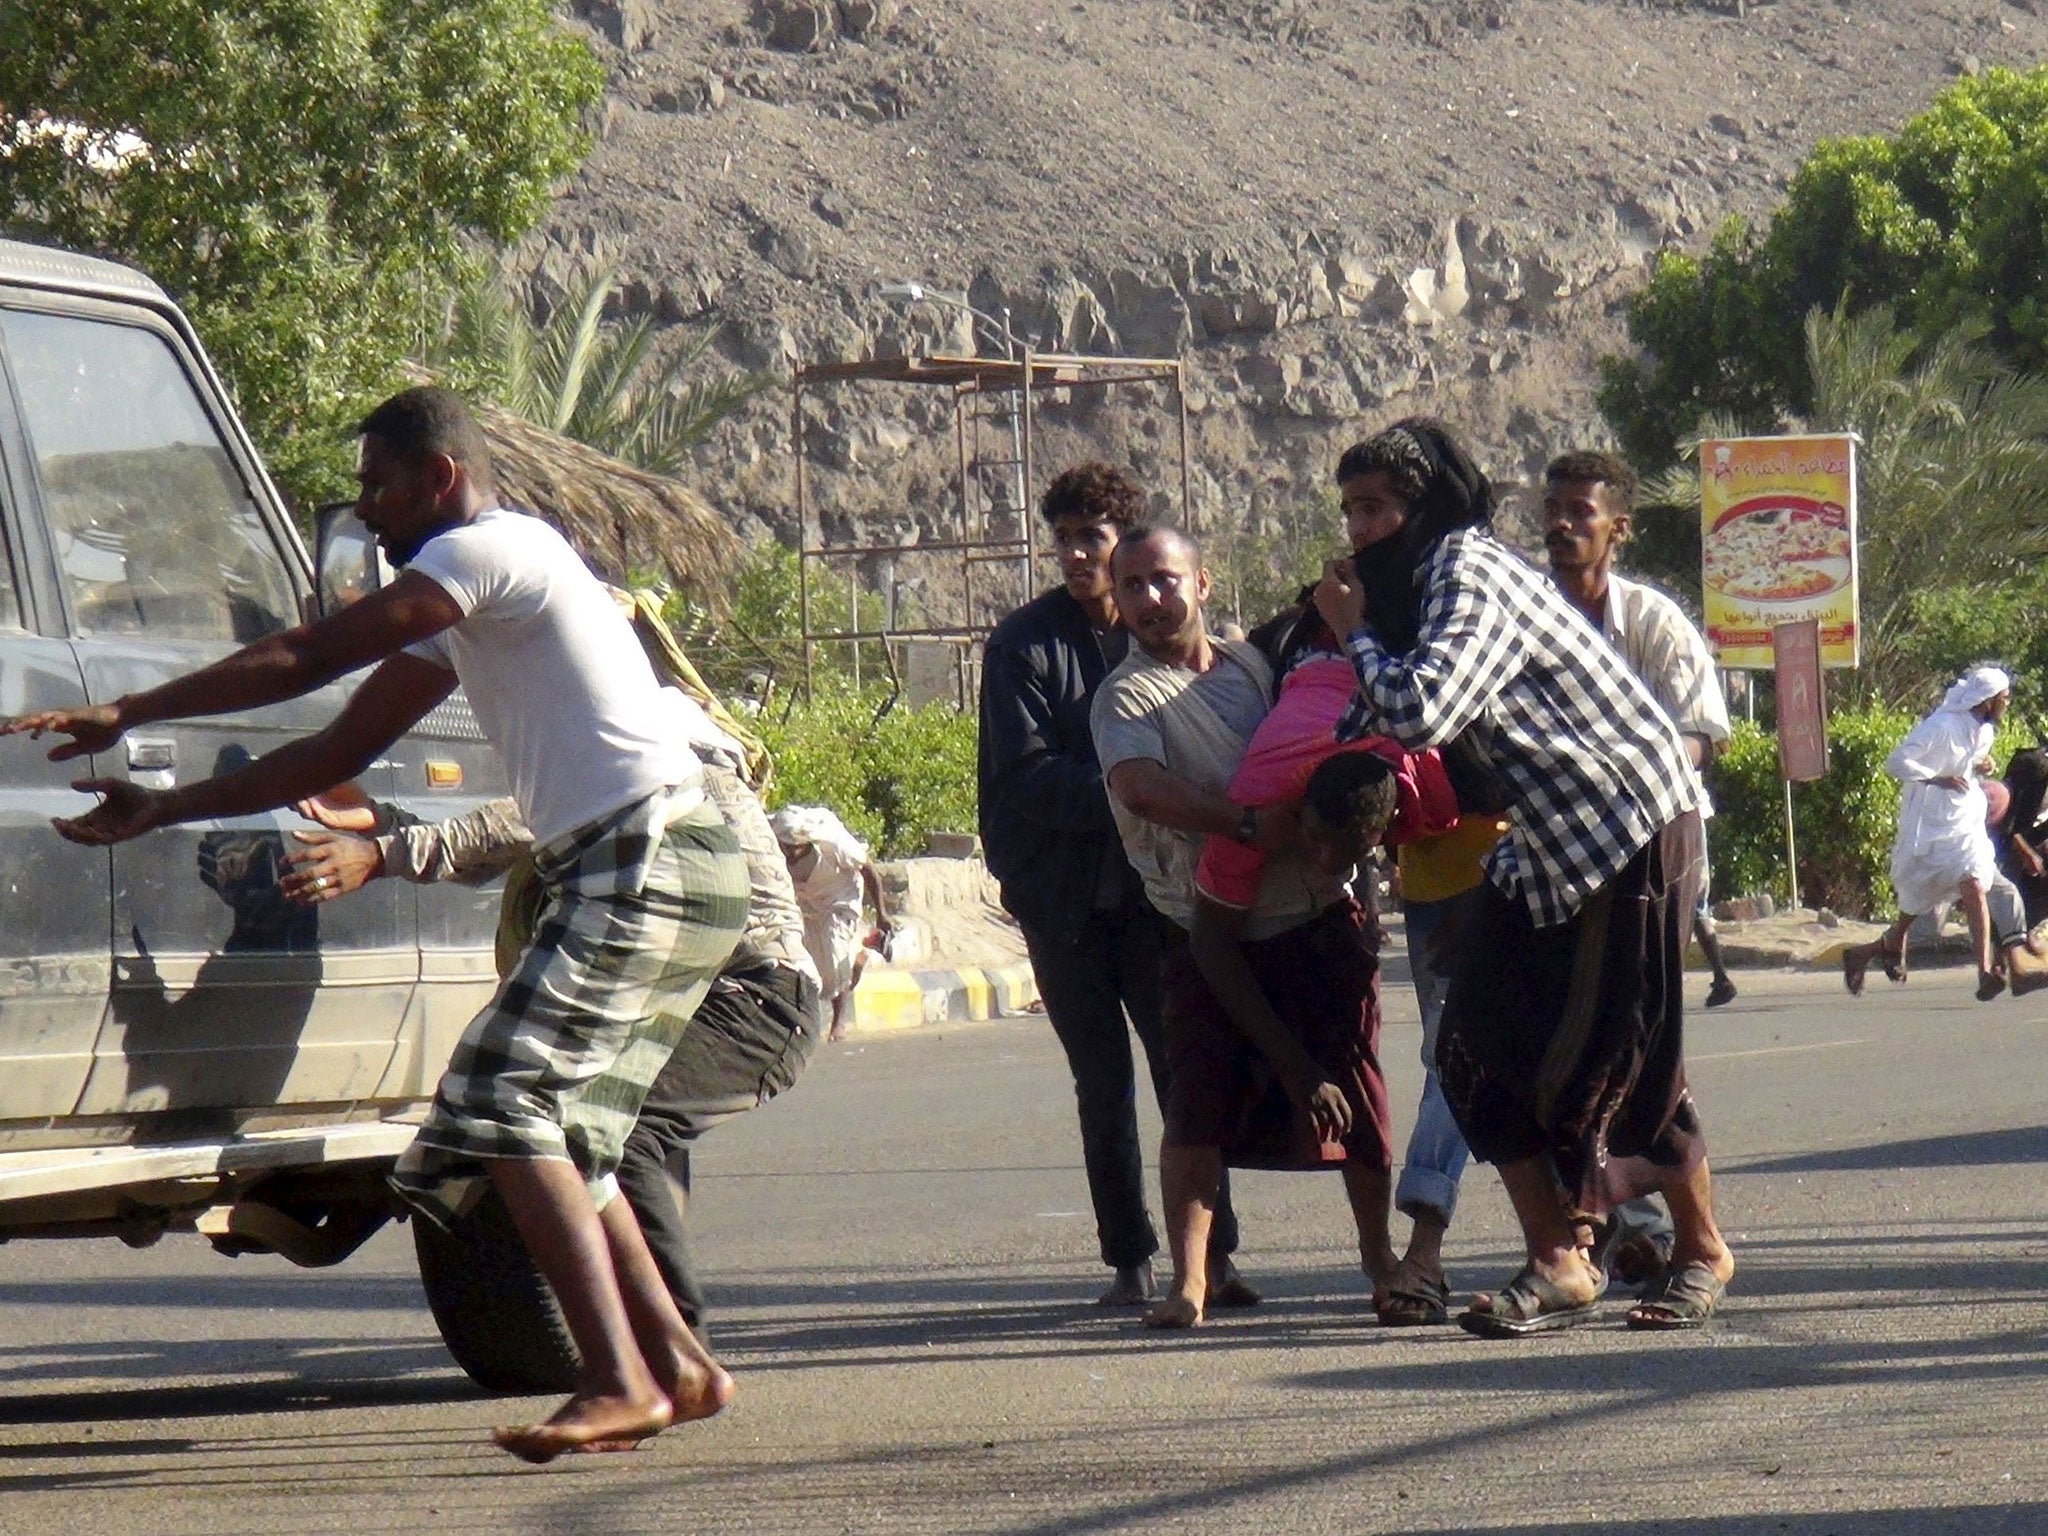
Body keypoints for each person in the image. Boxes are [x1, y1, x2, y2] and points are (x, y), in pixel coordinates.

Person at [2, 386, 748, 1458]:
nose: (365, 514)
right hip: (632, 863)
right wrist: (161, 807)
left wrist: (129, 709)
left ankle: (616, 1380)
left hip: (649, 856)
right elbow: (327, 756)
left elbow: (312, 656)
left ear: (439, 479)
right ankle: (675, 1364)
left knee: (505, 1099)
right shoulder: (479, 604)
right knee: (563, 1129)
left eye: (377, 488)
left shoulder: (494, 552)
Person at [1317, 416, 1734, 1337]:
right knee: (1472, 1047)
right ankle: (1560, 1259)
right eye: (1350, 511)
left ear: (1424, 510)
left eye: (1378, 508)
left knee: (1626, 1058)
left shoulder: (1468, 572)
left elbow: (1419, 707)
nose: (1360, 530)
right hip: (1546, 845)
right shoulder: (1417, 591)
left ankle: (1701, 1249)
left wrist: (1350, 636)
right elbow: (1366, 719)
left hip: (1628, 826)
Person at [286, 696, 821, 1332]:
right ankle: (659, 1354)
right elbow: (521, 837)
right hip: (706, 998)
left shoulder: (669, 760)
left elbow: (521, 824)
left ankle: (674, 1346)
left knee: (617, 1135)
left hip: (756, 1003)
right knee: (559, 1123)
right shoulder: (624, 768)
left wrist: (384, 854)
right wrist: (384, 824)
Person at [1093, 525, 1394, 1329]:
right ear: (1117, 602)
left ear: (1202, 582)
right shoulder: (1125, 696)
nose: (1151, 599)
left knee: (1359, 1093)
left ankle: (1381, 1261)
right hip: (1206, 924)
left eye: (1164, 579)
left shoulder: (1256, 667)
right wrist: (1246, 825)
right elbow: (1141, 788)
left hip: (1313, 912)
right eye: (1133, 587)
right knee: (1195, 1108)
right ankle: (1187, 1281)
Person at [978, 463, 1247, 1308]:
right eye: (1061, 538)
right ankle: (1129, 1259)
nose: (1074, 555)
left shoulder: (1163, 640)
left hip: (1156, 901)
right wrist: (1134, 788)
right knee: (1102, 1085)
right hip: (1063, 905)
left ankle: (1214, 1260)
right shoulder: (1023, 645)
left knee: (1185, 1076)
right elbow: (1022, 778)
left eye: (1090, 538)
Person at [1542, 450, 1738, 1010]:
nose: (1561, 524)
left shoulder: (1655, 622)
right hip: (1554, 841)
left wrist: (1620, 774)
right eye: (1552, 509)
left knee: (1638, 1010)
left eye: (1580, 512)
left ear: (1618, 528)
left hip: (1652, 835)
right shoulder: (1524, 617)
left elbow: (1701, 735)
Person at [1840, 668, 2048, 1000]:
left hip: (1965, 824)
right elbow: (1897, 762)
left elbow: (1967, 762)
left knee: (1975, 885)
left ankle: (1984, 972)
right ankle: (1867, 952)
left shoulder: (1983, 732)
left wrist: (1981, 765)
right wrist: (1938, 778)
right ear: (1989, 699)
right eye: (2004, 698)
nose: (2007, 703)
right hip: (1932, 826)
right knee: (1917, 903)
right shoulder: (1941, 727)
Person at [768, 805, 896, 1041]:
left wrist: (881, 914)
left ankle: (838, 1022)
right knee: (804, 961)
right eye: (785, 845)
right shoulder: (770, 838)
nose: (788, 851)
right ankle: (860, 952)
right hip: (804, 901)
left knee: (835, 958)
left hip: (839, 898)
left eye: (794, 847)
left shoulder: (834, 845)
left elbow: (868, 870)